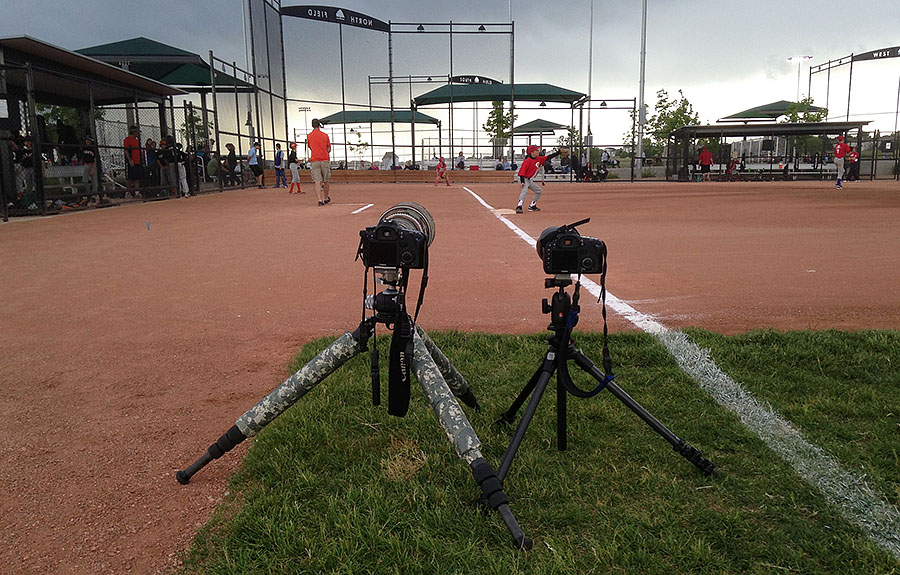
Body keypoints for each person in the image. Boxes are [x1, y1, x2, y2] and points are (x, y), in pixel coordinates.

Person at [515, 145, 559, 213]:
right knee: (525, 190)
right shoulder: (527, 161)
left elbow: (548, 157)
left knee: (539, 191)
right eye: (537, 150)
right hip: (523, 178)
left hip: (529, 180)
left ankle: (532, 205)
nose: (538, 151)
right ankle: (519, 206)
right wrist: (522, 182)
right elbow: (522, 172)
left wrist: (558, 152)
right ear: (532, 152)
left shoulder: (538, 159)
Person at [307, 119, 332, 206]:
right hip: (324, 159)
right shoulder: (325, 135)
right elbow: (329, 148)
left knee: (317, 181)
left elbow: (310, 147)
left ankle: (320, 199)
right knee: (326, 180)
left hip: (315, 160)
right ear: (319, 125)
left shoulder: (309, 136)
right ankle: (325, 197)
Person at [123, 125, 142, 198]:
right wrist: (130, 160)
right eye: (136, 132)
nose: (138, 134)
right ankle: (128, 192)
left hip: (137, 161)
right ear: (133, 132)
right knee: (129, 177)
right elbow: (126, 150)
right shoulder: (127, 140)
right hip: (131, 161)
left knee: (137, 177)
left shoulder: (137, 141)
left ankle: (137, 192)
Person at [80, 136, 99, 202]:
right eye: (86, 140)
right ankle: (89, 193)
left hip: (92, 165)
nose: (87, 142)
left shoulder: (93, 148)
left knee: (94, 181)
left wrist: (93, 168)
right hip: (86, 165)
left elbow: (96, 159)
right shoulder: (84, 148)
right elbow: (82, 157)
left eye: (88, 140)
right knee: (84, 181)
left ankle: (94, 195)